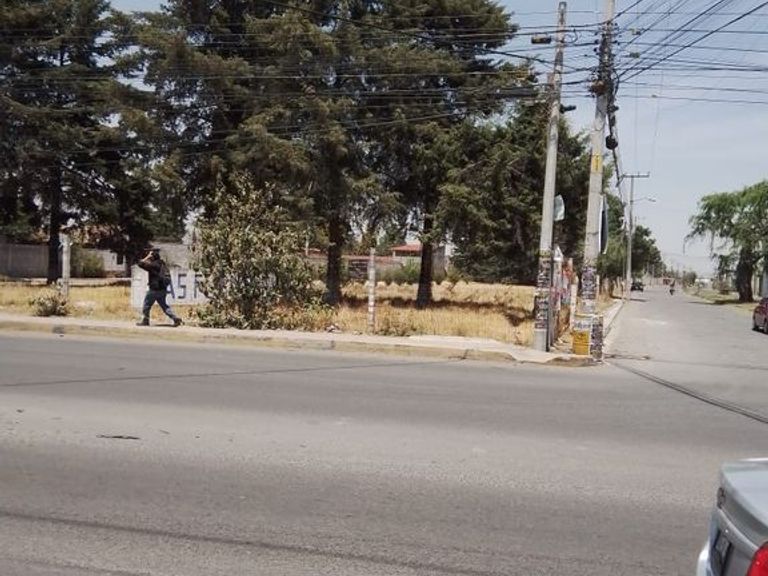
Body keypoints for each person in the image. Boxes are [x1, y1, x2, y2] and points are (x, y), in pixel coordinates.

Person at [136, 246, 182, 327]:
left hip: (154, 289)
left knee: (146, 305)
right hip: (163, 289)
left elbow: (140, 264)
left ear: (152, 257)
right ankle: (175, 318)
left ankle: (145, 320)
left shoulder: (153, 265)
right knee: (164, 306)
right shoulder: (162, 264)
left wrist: (147, 257)